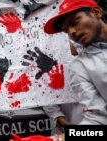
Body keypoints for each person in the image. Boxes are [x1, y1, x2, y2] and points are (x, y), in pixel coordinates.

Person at [43, 0, 107, 140]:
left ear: (96, 12)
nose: (72, 32)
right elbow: (98, 122)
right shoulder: (80, 67)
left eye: (75, 22)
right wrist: (58, 139)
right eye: (66, 30)